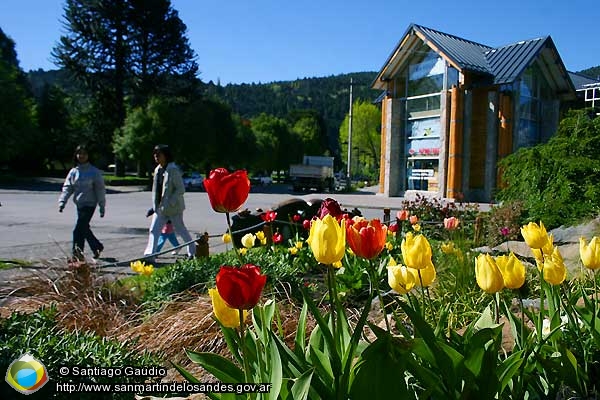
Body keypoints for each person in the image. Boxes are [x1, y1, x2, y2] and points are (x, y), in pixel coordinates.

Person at [144, 144, 196, 260]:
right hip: (160, 208)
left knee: (180, 229)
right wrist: (154, 207)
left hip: (174, 208)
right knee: (154, 230)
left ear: (166, 156)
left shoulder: (173, 170)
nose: (156, 156)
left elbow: (180, 189)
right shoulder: (157, 170)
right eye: (155, 154)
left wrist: (170, 201)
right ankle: (149, 256)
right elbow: (156, 190)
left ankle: (193, 251)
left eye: (159, 154)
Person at [58, 145, 106, 260]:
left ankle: (77, 255)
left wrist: (101, 205)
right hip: (80, 204)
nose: (81, 156)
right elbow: (68, 187)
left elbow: (100, 189)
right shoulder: (74, 172)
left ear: (88, 156)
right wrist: (62, 202)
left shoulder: (94, 172)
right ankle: (97, 246)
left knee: (78, 230)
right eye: (79, 153)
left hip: (90, 204)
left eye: (84, 153)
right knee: (84, 228)